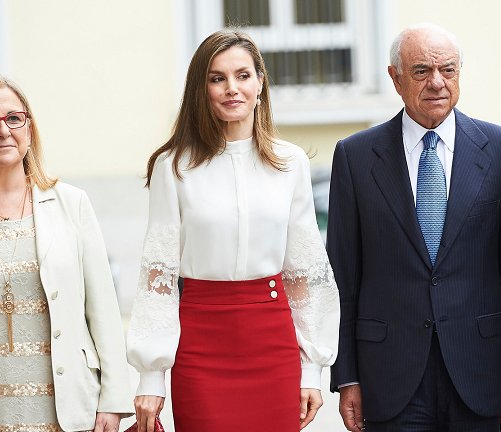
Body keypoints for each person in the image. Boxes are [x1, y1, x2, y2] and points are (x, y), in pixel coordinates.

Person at [126, 30, 340, 432]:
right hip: (201, 342)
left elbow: (305, 268)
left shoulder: (290, 163)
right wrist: (151, 375)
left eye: (242, 75)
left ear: (260, 82)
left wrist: (311, 367)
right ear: (201, 89)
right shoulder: (173, 167)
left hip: (272, 340)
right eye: (217, 78)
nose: (231, 89)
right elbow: (158, 275)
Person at [0, 74, 133, 432]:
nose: (4, 130)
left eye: (14, 118)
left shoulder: (72, 204)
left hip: (67, 412)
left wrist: (113, 401)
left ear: (29, 129)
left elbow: (103, 311)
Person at [328, 23, 501, 431]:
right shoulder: (355, 158)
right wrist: (348, 377)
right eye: (422, 70)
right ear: (395, 78)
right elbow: (343, 278)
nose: (437, 83)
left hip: (479, 371)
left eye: (448, 69)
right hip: (388, 377)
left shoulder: (500, 150)